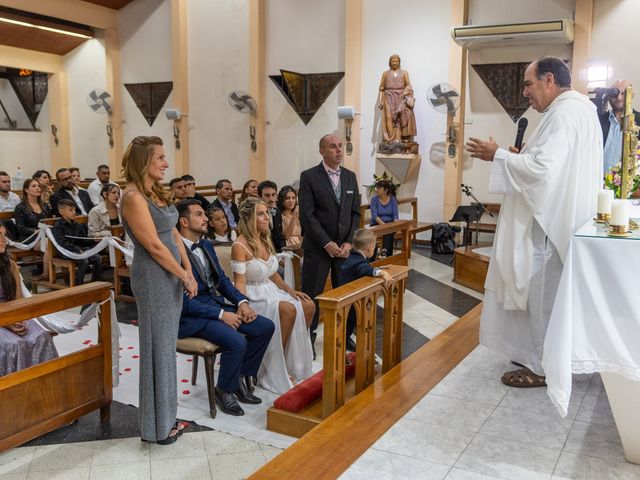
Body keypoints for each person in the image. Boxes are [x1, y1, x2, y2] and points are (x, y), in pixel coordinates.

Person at [465, 56, 602, 388]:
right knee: (548, 297)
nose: (525, 92)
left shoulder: (564, 115)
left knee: (542, 298)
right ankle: (541, 354)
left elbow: (542, 172)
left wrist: (498, 155)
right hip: (564, 218)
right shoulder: (581, 110)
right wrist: (517, 158)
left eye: (528, 84)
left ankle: (541, 367)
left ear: (549, 80)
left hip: (548, 227)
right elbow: (550, 166)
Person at [120, 136, 197, 445]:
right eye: (160, 158)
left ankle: (167, 416)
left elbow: (173, 233)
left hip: (172, 275)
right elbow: (152, 245)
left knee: (165, 349)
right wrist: (182, 274)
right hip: (153, 277)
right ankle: (155, 427)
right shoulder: (133, 197)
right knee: (157, 350)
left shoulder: (156, 192)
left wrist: (188, 268)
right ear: (144, 162)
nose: (166, 163)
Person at [177, 199, 274, 415]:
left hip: (214, 306)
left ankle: (238, 378)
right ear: (184, 221)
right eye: (200, 214)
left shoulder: (205, 244)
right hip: (192, 317)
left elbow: (222, 280)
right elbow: (183, 302)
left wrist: (242, 302)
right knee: (236, 340)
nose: (206, 219)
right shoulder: (174, 253)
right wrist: (222, 315)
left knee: (264, 327)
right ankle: (224, 390)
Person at [231, 197, 314, 394]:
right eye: (260, 214)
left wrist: (290, 290)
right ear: (249, 218)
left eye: (266, 213)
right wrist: (242, 304)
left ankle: (285, 360)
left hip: (270, 289)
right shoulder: (239, 246)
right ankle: (270, 368)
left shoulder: (265, 239)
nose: (267, 217)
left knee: (308, 305)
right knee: (288, 309)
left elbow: (273, 273)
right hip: (252, 295)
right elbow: (239, 282)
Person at [299, 134, 360, 350]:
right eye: (333, 147)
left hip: (344, 249)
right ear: (322, 151)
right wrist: (326, 242)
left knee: (345, 294)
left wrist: (349, 242)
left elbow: (355, 214)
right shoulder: (309, 177)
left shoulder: (350, 177)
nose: (339, 150)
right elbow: (307, 215)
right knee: (312, 294)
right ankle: (308, 336)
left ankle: (345, 334)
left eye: (340, 146)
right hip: (318, 248)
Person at [0, 225, 58, 376]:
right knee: (14, 344)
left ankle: (45, 387)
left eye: (4, 235)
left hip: (12, 313)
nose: (3, 240)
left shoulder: (10, 265)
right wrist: (7, 323)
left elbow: (18, 299)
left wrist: (19, 319)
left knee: (42, 337)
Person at [340, 229, 393, 351]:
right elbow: (363, 269)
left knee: (347, 328)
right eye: (374, 246)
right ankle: (341, 355)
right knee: (346, 330)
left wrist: (378, 268)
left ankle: (345, 348)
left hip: (350, 299)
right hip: (349, 302)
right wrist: (381, 272)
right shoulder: (358, 261)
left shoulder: (354, 257)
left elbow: (363, 268)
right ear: (369, 248)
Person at [52, 199, 102, 285]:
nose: (74, 212)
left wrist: (94, 240)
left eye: (74, 210)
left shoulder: (76, 224)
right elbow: (62, 243)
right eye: (70, 210)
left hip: (78, 249)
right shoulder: (58, 226)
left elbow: (81, 240)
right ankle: (78, 284)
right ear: (61, 211)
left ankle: (95, 282)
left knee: (97, 258)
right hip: (65, 251)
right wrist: (77, 249)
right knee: (84, 260)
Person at [599, 79, 640, 177]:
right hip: (598, 183)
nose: (619, 97)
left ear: (632, 95)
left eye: (623, 93)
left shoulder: (638, 121)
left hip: (629, 187)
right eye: (614, 93)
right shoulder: (599, 120)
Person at [378, 54, 412, 144]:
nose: (394, 63)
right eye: (392, 61)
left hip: (400, 96)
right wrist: (380, 101)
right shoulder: (385, 74)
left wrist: (406, 92)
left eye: (396, 61)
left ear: (399, 62)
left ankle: (397, 139)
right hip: (388, 96)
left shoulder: (404, 73)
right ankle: (390, 138)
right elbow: (381, 88)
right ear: (390, 62)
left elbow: (408, 85)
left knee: (398, 118)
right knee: (389, 117)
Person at [369, 179, 399, 256]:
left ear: (385, 190)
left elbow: (395, 216)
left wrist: (394, 225)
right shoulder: (374, 200)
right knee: (386, 231)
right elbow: (375, 216)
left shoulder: (393, 200)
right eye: (376, 188)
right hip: (377, 223)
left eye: (379, 188)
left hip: (390, 224)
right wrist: (384, 225)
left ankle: (385, 252)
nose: (377, 190)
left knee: (389, 231)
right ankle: (383, 253)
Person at [258, 180, 284, 252]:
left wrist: (283, 250)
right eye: (267, 195)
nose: (271, 199)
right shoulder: (255, 214)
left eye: (273, 195)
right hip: (262, 251)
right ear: (259, 197)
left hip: (277, 250)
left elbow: (279, 235)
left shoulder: (277, 211)